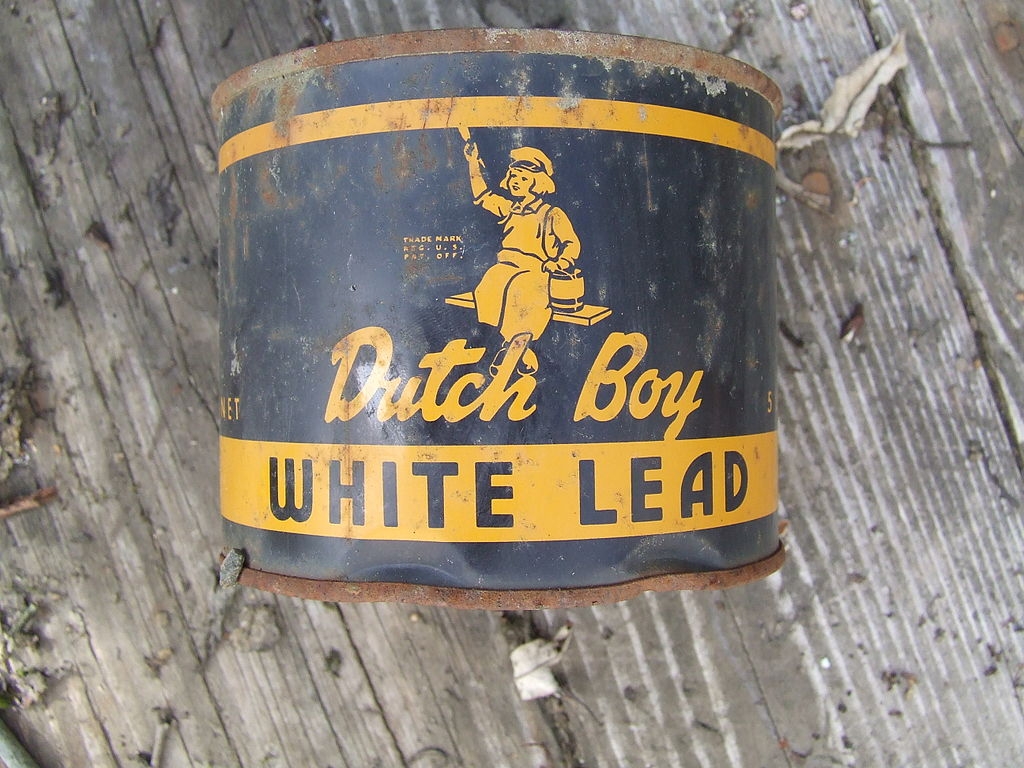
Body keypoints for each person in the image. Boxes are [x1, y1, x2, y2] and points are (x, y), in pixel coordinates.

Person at [464, 140, 581, 375]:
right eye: (514, 176)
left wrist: (560, 262)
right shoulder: (510, 209)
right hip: (506, 267)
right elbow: (483, 196)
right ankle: (501, 344)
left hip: (537, 272)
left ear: (538, 182)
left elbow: (571, 244)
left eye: (524, 178)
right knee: (489, 283)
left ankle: (515, 346)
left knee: (523, 292)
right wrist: (473, 163)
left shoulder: (551, 213)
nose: (517, 182)